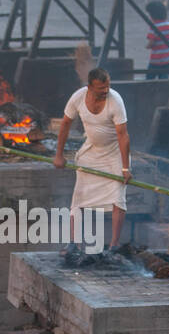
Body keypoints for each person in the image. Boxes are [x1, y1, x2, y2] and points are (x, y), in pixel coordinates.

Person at [53, 68, 131, 252]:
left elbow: (123, 135)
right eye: (101, 88)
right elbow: (65, 124)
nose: (105, 91)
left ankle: (114, 245)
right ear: (90, 87)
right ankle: (74, 243)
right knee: (78, 197)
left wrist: (125, 168)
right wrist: (59, 155)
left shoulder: (116, 101)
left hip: (114, 152)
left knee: (118, 198)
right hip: (91, 150)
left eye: (107, 87)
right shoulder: (78, 97)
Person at [144, 1, 169, 79]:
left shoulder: (154, 26)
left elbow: (151, 42)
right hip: (166, 60)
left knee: (149, 79)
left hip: (155, 60)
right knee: (163, 79)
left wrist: (147, 46)